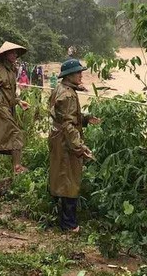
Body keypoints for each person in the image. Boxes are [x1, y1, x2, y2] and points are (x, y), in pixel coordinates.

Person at [48, 58, 100, 232]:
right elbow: (68, 124)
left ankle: (61, 219)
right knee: (69, 180)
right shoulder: (69, 95)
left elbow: (62, 116)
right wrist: (79, 147)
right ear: (69, 75)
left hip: (58, 138)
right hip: (66, 142)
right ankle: (69, 224)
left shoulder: (61, 89)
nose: (81, 75)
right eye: (78, 72)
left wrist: (84, 119)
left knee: (61, 177)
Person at [0, 42, 30, 178]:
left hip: (7, 109)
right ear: (5, 55)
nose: (15, 55)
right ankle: (16, 167)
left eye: (16, 53)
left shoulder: (11, 71)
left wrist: (19, 102)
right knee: (14, 134)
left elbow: (8, 94)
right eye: (12, 52)